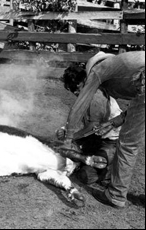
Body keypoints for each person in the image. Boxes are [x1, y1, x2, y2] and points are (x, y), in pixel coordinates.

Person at [63, 51, 145, 209]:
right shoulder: (124, 66)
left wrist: (68, 139)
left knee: (128, 145)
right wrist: (114, 122)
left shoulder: (99, 70)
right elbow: (138, 108)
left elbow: (79, 105)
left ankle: (116, 195)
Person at [57, 62, 123, 185]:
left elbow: (91, 127)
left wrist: (71, 137)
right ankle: (86, 159)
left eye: (77, 88)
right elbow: (78, 117)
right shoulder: (86, 94)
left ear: (82, 82)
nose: (75, 92)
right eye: (72, 89)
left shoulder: (96, 98)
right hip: (97, 136)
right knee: (63, 147)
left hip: (112, 141)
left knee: (87, 176)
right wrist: (65, 130)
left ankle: (108, 171)